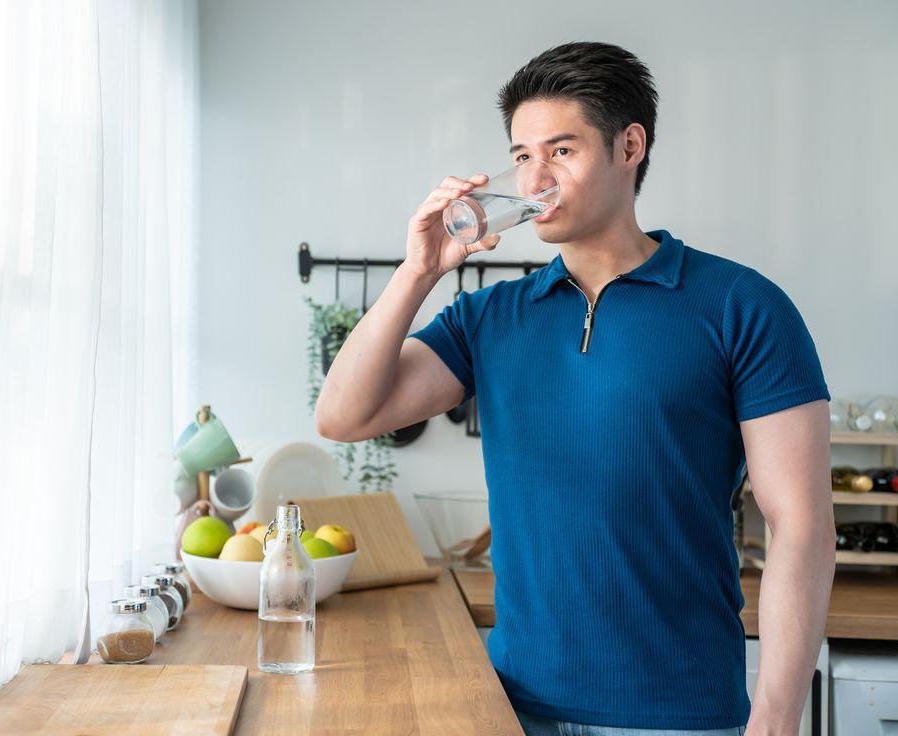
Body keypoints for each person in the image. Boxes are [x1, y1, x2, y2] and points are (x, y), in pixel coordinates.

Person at [314, 41, 834, 736]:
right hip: (513, 705)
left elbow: (802, 526)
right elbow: (344, 416)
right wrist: (418, 272)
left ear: (629, 146)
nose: (534, 180)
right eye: (523, 156)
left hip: (681, 713)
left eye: (561, 151)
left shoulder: (741, 305)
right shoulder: (489, 316)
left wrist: (775, 717)